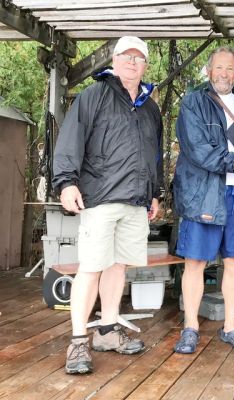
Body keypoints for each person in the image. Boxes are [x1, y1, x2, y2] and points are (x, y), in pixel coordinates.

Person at [52, 36, 163, 374]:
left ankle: (107, 330)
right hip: (100, 198)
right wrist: (66, 181)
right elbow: (70, 139)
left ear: (145, 66)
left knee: (119, 267)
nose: (132, 62)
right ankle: (77, 342)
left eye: (139, 57)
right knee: (91, 268)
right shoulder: (94, 95)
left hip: (135, 202)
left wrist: (154, 192)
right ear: (114, 61)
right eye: (126, 56)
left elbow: (154, 155)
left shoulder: (150, 107)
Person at [173, 46, 234, 354]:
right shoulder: (193, 103)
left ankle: (231, 327)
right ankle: (190, 327)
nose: (224, 74)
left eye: (230, 69)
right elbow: (197, 149)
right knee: (196, 262)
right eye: (219, 68)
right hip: (205, 192)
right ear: (208, 71)